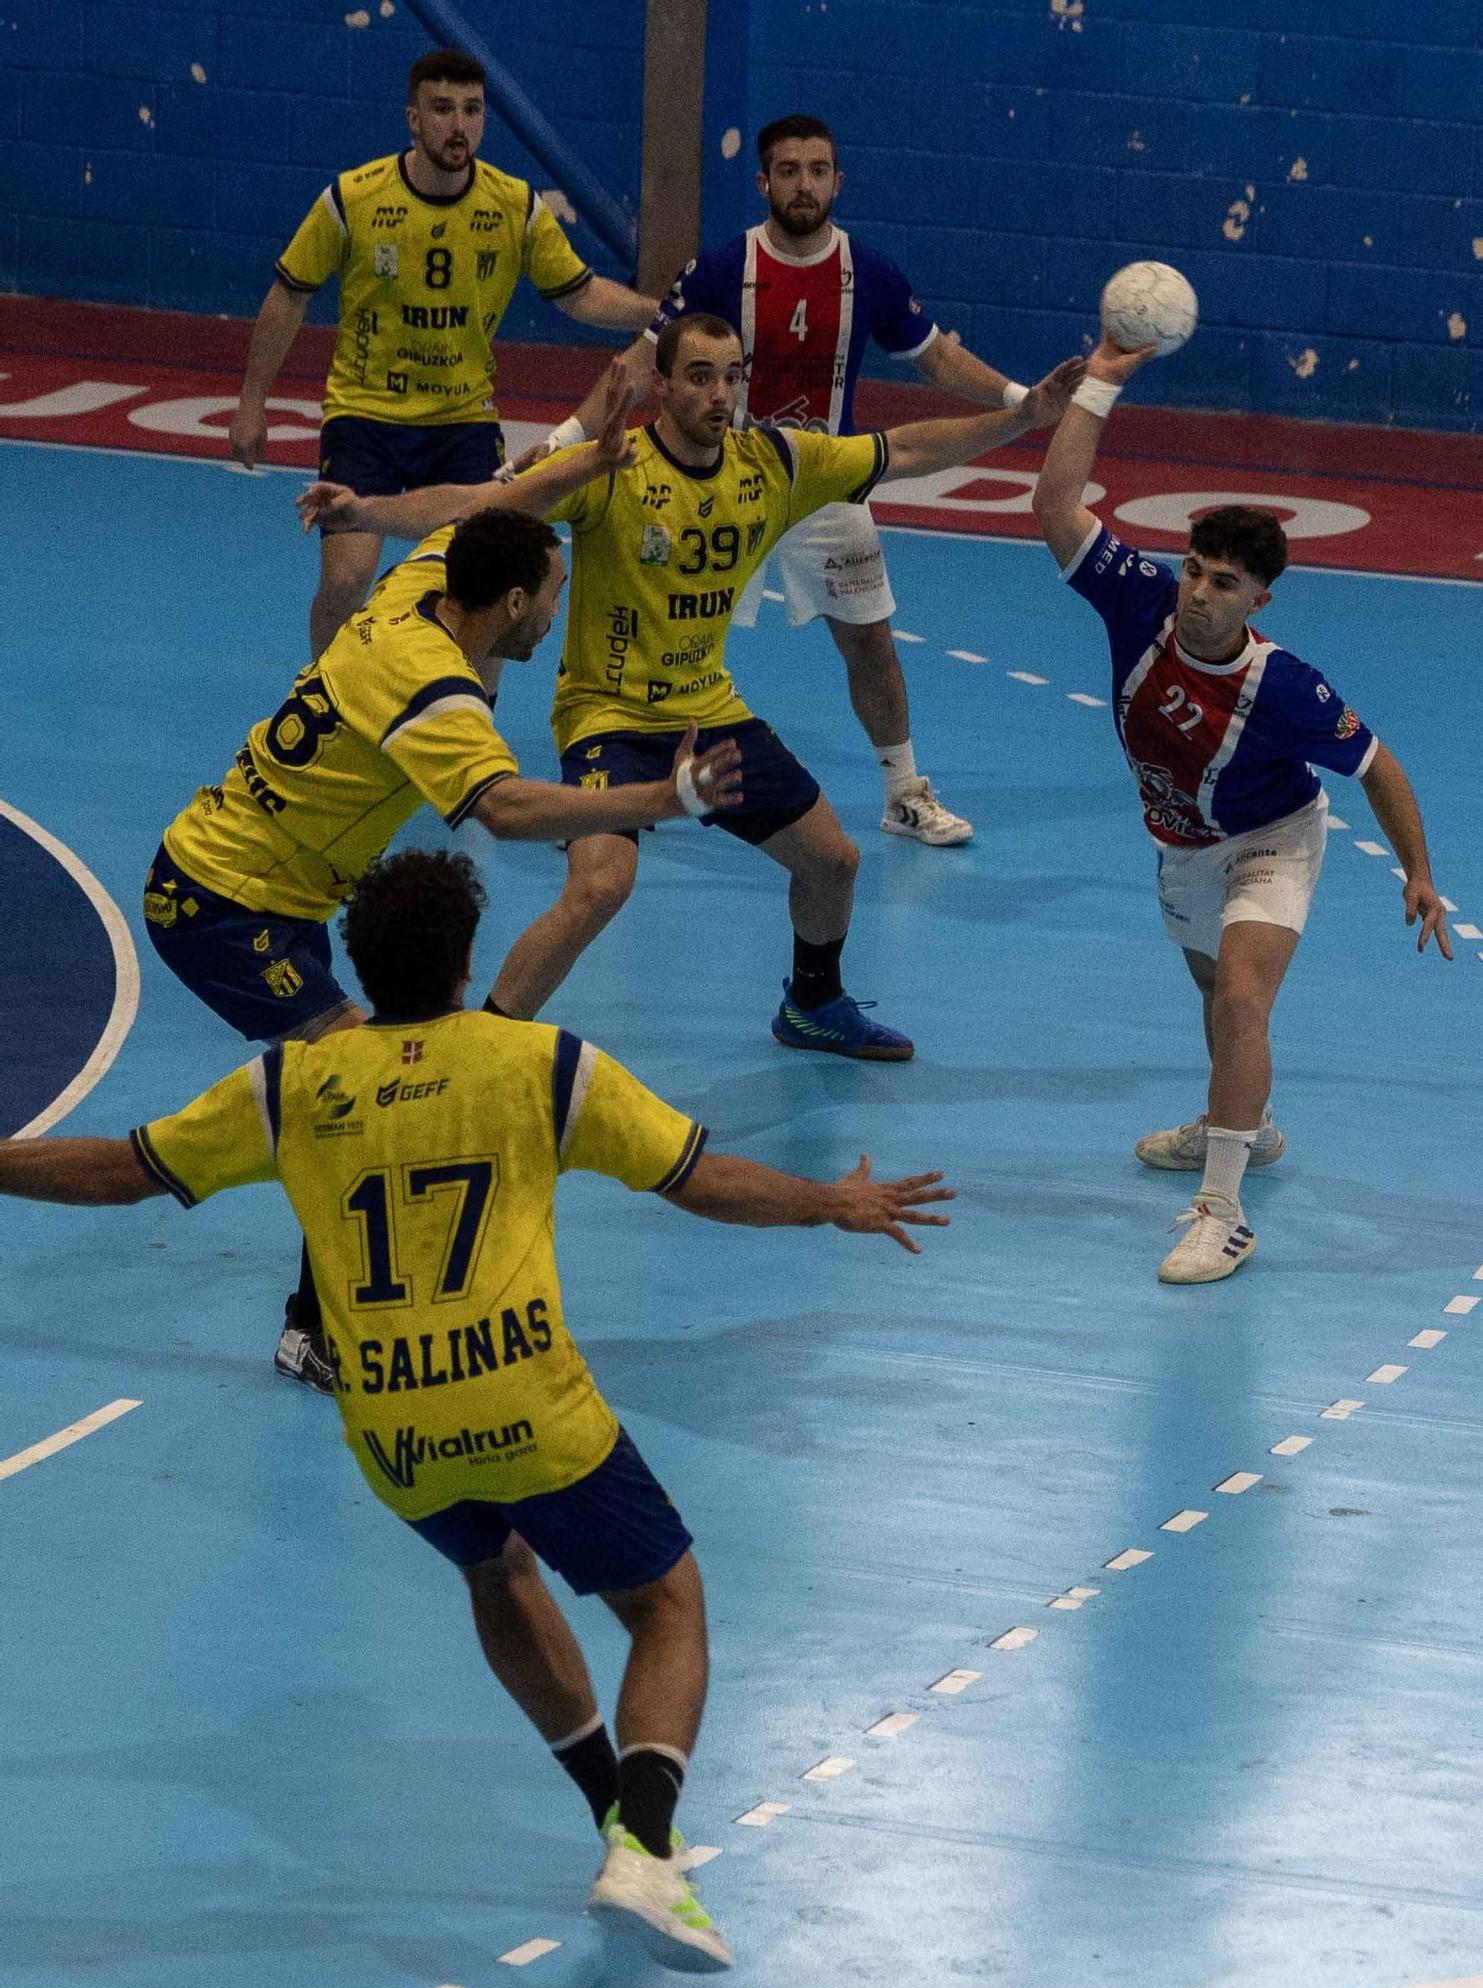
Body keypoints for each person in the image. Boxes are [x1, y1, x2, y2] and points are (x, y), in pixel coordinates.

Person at [0, 848, 954, 1975]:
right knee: (666, 1602)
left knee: (495, 1569)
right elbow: (699, 1179)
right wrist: (828, 1203)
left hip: (391, 1429)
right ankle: (643, 1842)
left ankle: (614, 1819)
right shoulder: (540, 1065)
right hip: (526, 1400)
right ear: (464, 964)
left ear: (353, 959)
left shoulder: (288, 1086)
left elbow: (118, 1170)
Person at [146, 406, 741, 1393]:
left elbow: (502, 498)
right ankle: (314, 1328)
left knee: (358, 1087)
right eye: (550, 596)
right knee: (357, 1086)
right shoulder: (432, 691)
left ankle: (328, 1304)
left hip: (278, 888)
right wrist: (661, 797)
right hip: (219, 897)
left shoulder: (425, 576)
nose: (556, 612)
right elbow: (505, 811)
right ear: (511, 603)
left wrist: (588, 455)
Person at [300, 314, 1084, 1057]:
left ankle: (811, 1008)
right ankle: (481, 1043)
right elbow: (478, 507)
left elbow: (903, 450)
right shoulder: (614, 468)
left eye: (732, 377)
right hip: (607, 714)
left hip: (708, 709)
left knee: (833, 863)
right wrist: (364, 509)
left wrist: (1025, 416)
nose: (719, 394)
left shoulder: (773, 464)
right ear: (664, 386)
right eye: (700, 377)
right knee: (600, 887)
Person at [1030, 334, 1452, 1285]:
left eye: (1223, 584)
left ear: (1258, 598)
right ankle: (1246, 1128)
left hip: (1270, 840)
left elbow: (1378, 765)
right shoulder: (1139, 604)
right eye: (1193, 570)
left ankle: (1222, 1213)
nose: (1199, 593)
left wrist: (1417, 871)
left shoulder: (1285, 690)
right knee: (1215, 1010)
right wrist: (1098, 384)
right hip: (1179, 844)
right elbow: (1054, 505)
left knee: (1239, 999)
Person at [553, 114, 1047, 848]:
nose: (804, 183)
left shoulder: (869, 273)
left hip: (816, 481)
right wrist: (563, 441)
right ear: (763, 182)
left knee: (870, 641)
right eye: (788, 170)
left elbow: (937, 359)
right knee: (663, 620)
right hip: (716, 477)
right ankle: (611, 794)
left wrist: (1020, 402)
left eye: (818, 170)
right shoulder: (722, 268)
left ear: (837, 181)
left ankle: (903, 793)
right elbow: (637, 360)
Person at [228, 46, 658, 655]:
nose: (458, 125)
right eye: (442, 109)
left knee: (485, 588)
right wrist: (252, 402)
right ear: (413, 118)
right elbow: (288, 296)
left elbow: (580, 295)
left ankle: (472, 718)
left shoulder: (515, 206)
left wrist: (661, 311)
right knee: (347, 579)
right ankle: (321, 701)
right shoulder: (354, 198)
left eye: (472, 109)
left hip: (462, 420)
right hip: (365, 413)